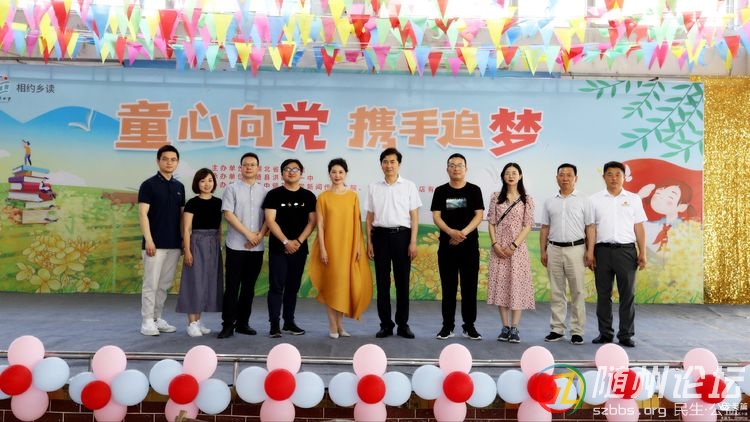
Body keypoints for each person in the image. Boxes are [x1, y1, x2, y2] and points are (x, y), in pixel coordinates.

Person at [309, 158, 373, 338]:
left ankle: (340, 325)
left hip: (349, 248)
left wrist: (358, 247)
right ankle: (332, 325)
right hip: (331, 248)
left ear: (346, 174)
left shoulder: (352, 196)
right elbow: (320, 226)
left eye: (340, 172)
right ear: (329, 174)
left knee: (344, 286)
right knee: (332, 286)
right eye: (334, 172)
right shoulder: (323, 197)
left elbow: (356, 223)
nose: (337, 175)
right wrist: (323, 249)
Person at [588, 161, 647, 348]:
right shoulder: (594, 200)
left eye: (618, 174)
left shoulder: (634, 199)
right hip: (602, 251)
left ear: (624, 177)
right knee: (603, 294)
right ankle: (605, 333)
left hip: (626, 252)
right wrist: (590, 252)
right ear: (604, 177)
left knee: (627, 294)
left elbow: (639, 227)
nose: (614, 178)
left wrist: (643, 252)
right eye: (610, 174)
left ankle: (626, 334)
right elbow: (591, 228)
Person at [366, 147, 422, 339]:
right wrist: (369, 242)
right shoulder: (373, 187)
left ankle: (403, 325)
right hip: (380, 237)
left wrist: (412, 241)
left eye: (392, 162)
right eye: (385, 162)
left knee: (402, 283)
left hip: (402, 237)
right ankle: (386, 325)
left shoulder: (409, 186)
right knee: (382, 283)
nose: (389, 165)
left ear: (399, 164)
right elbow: (369, 217)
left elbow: (414, 216)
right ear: (381, 164)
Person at [539, 163, 595, 345]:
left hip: (576, 249)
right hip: (553, 249)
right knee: (557, 291)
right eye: (561, 174)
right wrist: (543, 250)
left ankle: (577, 331)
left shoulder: (584, 200)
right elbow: (545, 227)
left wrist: (590, 251)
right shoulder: (549, 201)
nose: (565, 178)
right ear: (556, 178)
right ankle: (557, 329)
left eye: (569, 175)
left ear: (575, 178)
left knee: (577, 291)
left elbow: (590, 227)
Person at [431, 153, 484, 341]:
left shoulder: (474, 190)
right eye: (452, 165)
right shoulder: (440, 191)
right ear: (447, 169)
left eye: (459, 165)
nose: (456, 168)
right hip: (447, 247)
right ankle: (447, 326)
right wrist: (450, 232)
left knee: (469, 288)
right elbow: (436, 216)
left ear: (466, 169)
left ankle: (469, 326)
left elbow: (479, 215)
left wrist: (462, 234)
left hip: (469, 247)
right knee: (448, 288)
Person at [263, 158, 317, 338]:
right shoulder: (273, 194)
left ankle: (289, 322)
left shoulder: (308, 196)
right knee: (276, 287)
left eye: (295, 169)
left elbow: (312, 222)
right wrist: (286, 242)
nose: (291, 172)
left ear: (301, 173)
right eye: (287, 169)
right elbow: (270, 220)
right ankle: (274, 324)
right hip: (278, 248)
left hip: (299, 249)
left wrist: (298, 242)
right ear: (282, 173)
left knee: (292, 287)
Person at [218, 152, 268, 339]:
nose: (249, 167)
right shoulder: (231, 188)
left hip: (257, 248)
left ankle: (243, 323)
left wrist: (259, 236)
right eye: (245, 164)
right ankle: (227, 324)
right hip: (236, 246)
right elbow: (228, 214)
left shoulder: (265, 192)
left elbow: (268, 218)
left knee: (249, 287)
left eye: (252, 164)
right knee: (232, 287)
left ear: (258, 168)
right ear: (240, 168)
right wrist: (248, 234)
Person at [137, 144, 185, 336]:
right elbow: (143, 214)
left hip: (174, 244)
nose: (169, 163)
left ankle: (157, 318)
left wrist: (183, 240)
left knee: (164, 284)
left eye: (173, 160)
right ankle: (147, 321)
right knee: (151, 284)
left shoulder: (179, 187)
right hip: (154, 245)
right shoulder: (148, 185)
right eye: (165, 159)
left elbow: (182, 217)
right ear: (158, 161)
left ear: (177, 162)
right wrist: (149, 240)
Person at [486, 162, 535, 343]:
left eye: (514, 173)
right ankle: (505, 327)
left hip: (518, 249)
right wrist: (495, 244)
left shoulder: (527, 199)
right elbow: (491, 222)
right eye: (507, 173)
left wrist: (514, 245)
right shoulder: (495, 197)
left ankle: (515, 328)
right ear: (503, 176)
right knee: (501, 286)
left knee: (516, 286)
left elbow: (528, 225)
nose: (511, 176)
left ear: (520, 176)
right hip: (498, 248)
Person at [176, 168, 223, 337]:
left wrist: (219, 245)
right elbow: (186, 229)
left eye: (210, 180)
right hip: (196, 243)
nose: (206, 184)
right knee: (194, 282)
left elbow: (219, 227)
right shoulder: (192, 203)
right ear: (197, 183)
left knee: (207, 283)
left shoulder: (219, 203)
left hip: (213, 244)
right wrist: (188, 251)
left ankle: (198, 320)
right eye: (202, 181)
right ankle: (192, 323)